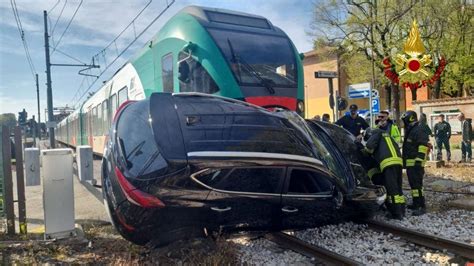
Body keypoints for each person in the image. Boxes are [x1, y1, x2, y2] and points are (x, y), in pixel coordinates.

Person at [362, 128, 405, 219]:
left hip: (388, 163)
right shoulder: (386, 135)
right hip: (398, 161)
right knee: (398, 187)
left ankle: (396, 214)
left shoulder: (375, 134)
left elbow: (369, 146)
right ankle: (402, 210)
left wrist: (365, 152)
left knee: (391, 188)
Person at [401, 111, 429, 216]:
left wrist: (419, 160)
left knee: (417, 186)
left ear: (410, 119)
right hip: (411, 164)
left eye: (405, 120)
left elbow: (422, 146)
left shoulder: (418, 129)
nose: (404, 123)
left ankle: (421, 206)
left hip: (416, 164)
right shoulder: (411, 130)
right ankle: (416, 203)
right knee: (414, 186)